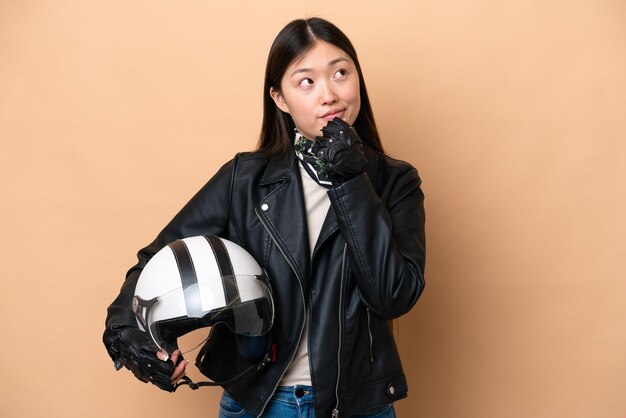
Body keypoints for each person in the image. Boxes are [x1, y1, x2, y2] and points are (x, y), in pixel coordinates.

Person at [103, 17, 426, 418]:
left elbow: (392, 296)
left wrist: (350, 180)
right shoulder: (245, 179)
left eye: (341, 73)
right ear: (280, 98)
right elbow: (159, 259)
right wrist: (126, 331)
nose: (329, 94)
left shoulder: (395, 182)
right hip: (260, 403)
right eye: (306, 81)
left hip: (358, 405)